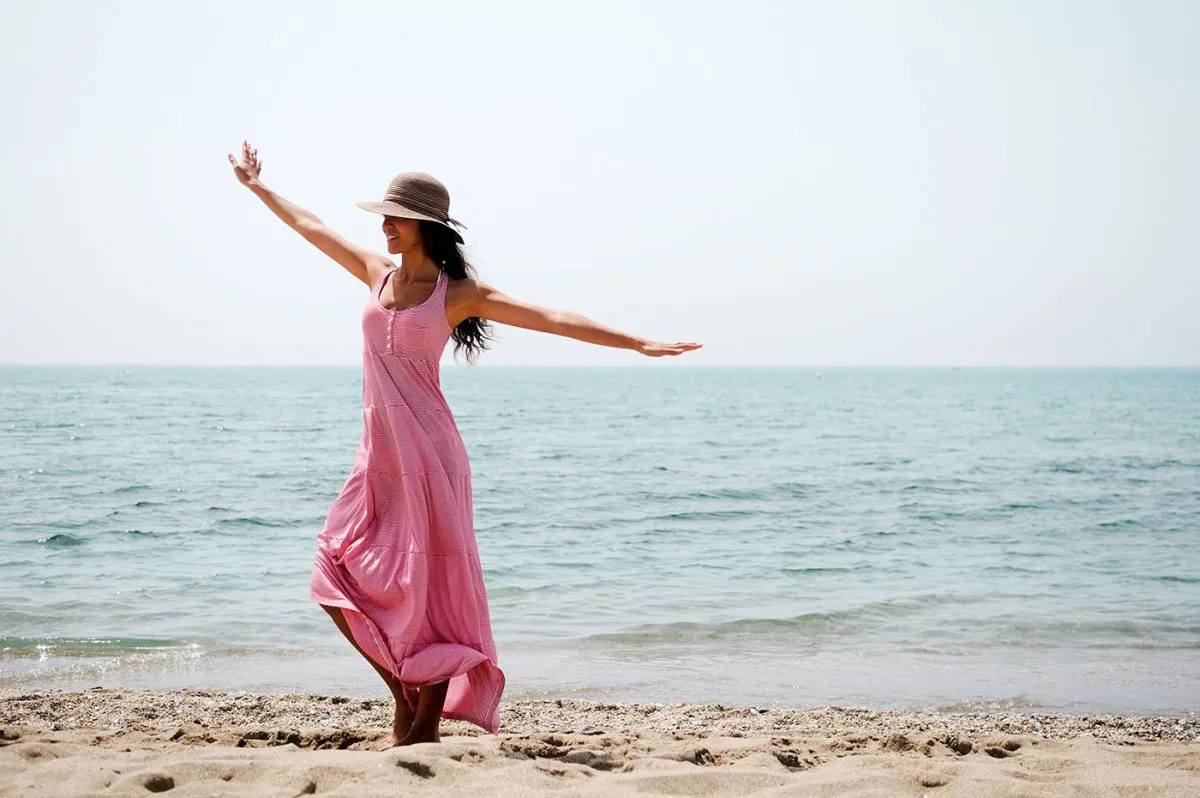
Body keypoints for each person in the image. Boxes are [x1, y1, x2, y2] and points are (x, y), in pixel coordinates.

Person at [227, 141, 701, 748]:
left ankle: (422, 722)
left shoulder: (457, 294)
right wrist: (258, 188)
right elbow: (311, 226)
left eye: (394, 217)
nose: (383, 227)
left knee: (430, 588)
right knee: (333, 567)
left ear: (424, 226)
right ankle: (403, 688)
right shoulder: (377, 272)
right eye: (383, 217)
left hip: (431, 455)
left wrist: (637, 342)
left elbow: (553, 317)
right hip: (378, 456)